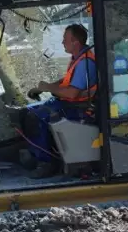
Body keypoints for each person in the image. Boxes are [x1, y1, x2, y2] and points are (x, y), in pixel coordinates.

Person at [9, 23, 98, 179]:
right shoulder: (78, 58)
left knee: (36, 117)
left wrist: (48, 88)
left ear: (75, 42)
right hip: (65, 103)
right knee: (25, 112)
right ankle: (34, 155)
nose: (62, 42)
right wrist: (44, 88)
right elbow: (67, 82)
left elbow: (71, 93)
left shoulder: (85, 62)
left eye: (65, 39)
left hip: (77, 108)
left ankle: (47, 163)